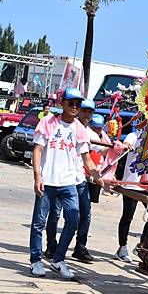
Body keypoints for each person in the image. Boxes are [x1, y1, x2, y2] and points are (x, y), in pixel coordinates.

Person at [29, 88, 104, 279]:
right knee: (40, 221)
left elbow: (87, 159)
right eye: (71, 103)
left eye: (78, 104)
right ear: (62, 103)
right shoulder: (49, 122)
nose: (75, 107)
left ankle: (58, 259)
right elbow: (37, 150)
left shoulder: (79, 128)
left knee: (74, 219)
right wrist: (37, 175)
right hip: (48, 181)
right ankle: (36, 260)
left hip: (69, 182)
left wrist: (98, 178)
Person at [44, 98, 98, 263]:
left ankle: (79, 247)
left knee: (83, 215)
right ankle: (52, 246)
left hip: (79, 179)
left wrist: (120, 146)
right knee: (54, 214)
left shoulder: (91, 133)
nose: (86, 113)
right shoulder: (61, 125)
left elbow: (99, 151)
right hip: (60, 180)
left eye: (89, 111)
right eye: (84, 110)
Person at [115, 125, 148, 262]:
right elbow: (126, 144)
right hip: (131, 183)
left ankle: (143, 245)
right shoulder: (134, 136)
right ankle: (122, 247)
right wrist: (125, 146)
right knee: (127, 216)